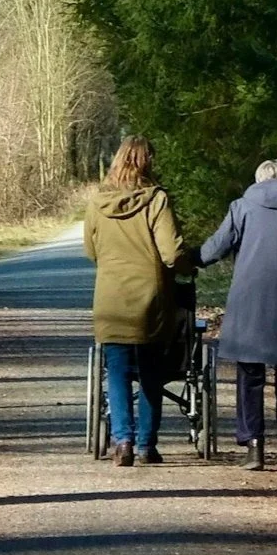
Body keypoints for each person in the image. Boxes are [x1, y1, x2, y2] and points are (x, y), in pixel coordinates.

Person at [199, 157, 277, 470]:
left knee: (250, 373)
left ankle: (254, 446)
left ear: (259, 180)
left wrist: (192, 258)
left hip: (248, 301)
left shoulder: (242, 207)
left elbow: (217, 247)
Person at [83, 136, 186, 468]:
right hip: (150, 300)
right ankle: (146, 445)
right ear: (147, 162)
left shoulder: (97, 202)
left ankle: (122, 440)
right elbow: (171, 253)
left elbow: (90, 250)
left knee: (116, 372)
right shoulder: (156, 200)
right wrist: (187, 265)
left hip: (110, 297)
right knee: (151, 375)